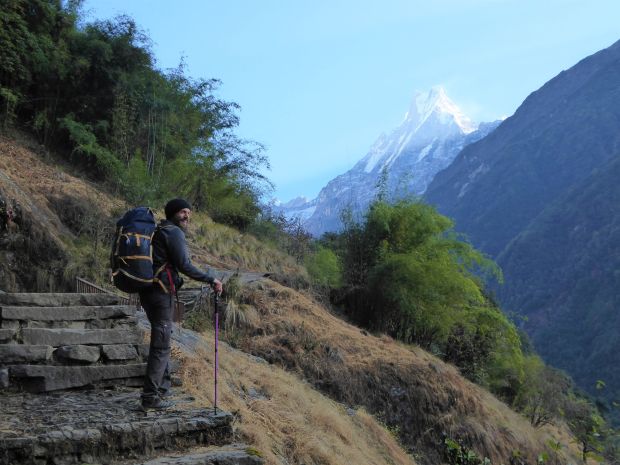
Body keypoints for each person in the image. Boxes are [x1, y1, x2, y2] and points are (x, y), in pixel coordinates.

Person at [139, 198, 223, 410]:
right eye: (183, 212)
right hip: (160, 293)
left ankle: (162, 388)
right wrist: (210, 279)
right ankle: (150, 396)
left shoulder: (158, 231)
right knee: (161, 344)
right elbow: (184, 265)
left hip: (148, 292)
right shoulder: (173, 232)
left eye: (189, 212)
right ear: (173, 213)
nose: (187, 216)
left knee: (161, 339)